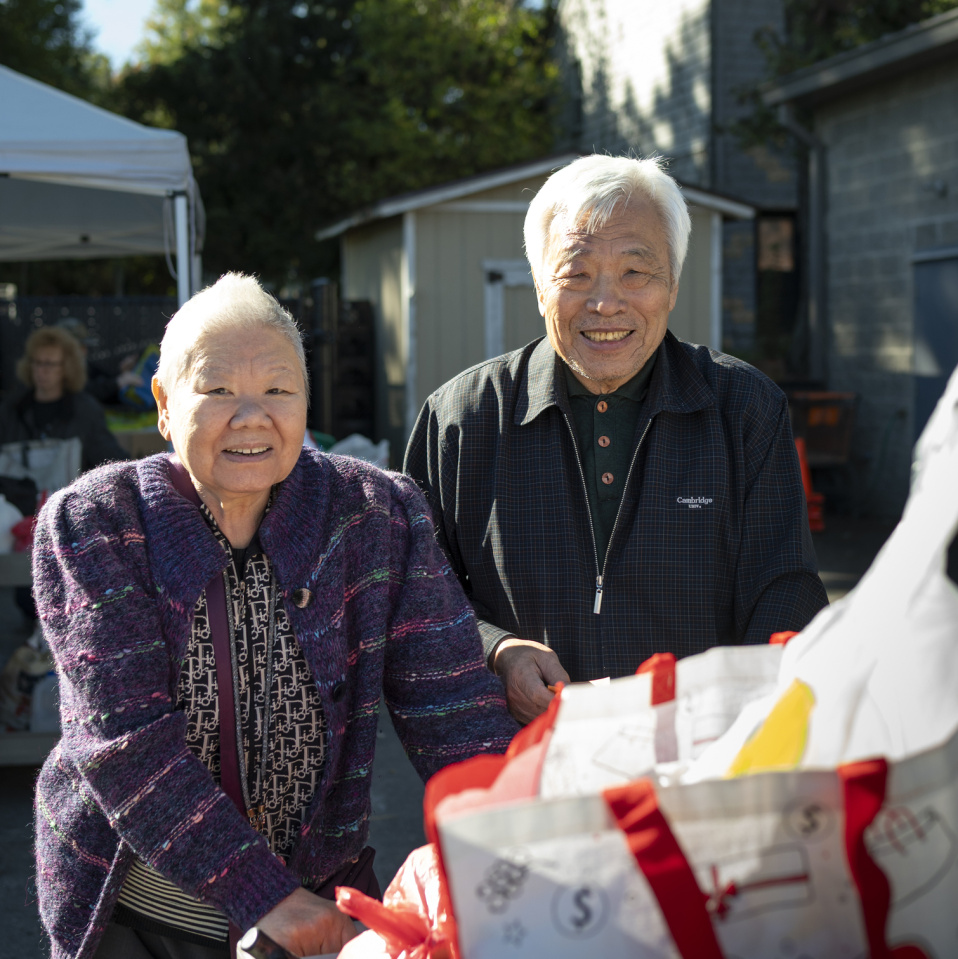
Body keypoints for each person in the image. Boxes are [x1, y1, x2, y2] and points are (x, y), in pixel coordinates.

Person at [33, 273, 519, 959]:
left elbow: (454, 708)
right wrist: (263, 894)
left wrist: (521, 849)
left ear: (306, 403)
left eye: (278, 390)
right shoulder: (96, 523)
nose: (251, 415)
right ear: (166, 406)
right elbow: (123, 742)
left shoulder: (377, 514)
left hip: (317, 908)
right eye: (218, 389)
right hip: (144, 913)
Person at [404, 154, 829, 725]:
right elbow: (416, 596)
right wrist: (496, 650)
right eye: (576, 274)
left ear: (673, 284)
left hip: (698, 755)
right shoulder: (461, 419)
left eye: (636, 272)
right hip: (521, 762)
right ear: (537, 285)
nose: (606, 302)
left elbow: (787, 589)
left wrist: (738, 717)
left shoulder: (744, 408)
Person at [0, 325, 129, 471]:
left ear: (66, 367)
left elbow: (111, 461)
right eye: (37, 362)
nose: (42, 371)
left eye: (50, 364)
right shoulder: (11, 410)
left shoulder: (85, 411)